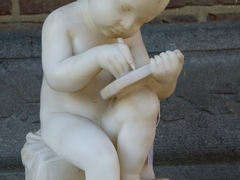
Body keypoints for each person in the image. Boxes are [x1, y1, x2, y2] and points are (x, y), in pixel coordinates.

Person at [40, 0, 184, 179]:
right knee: (102, 158)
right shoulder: (61, 21)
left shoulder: (128, 34)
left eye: (141, 20)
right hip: (67, 119)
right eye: (124, 8)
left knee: (145, 100)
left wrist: (165, 79)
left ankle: (130, 175)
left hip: (109, 115)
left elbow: (147, 84)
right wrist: (96, 57)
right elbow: (56, 78)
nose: (128, 24)